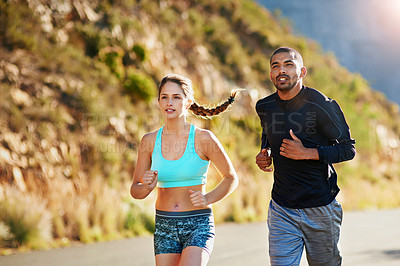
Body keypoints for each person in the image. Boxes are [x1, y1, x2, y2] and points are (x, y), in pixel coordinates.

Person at [255, 47, 356, 266]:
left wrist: (307, 153)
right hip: (281, 208)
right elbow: (267, 135)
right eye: (275, 66)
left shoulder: (322, 105)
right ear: (271, 74)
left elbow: (348, 149)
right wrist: (266, 153)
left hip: (320, 207)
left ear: (302, 72)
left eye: (288, 65)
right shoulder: (264, 107)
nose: (281, 70)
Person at [130, 73, 240, 266]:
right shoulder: (148, 141)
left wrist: (208, 198)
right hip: (164, 226)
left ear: (188, 103)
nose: (169, 103)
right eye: (164, 97)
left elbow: (231, 178)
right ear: (158, 102)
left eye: (176, 97)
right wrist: (146, 187)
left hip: (198, 224)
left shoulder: (203, 139)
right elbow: (135, 190)